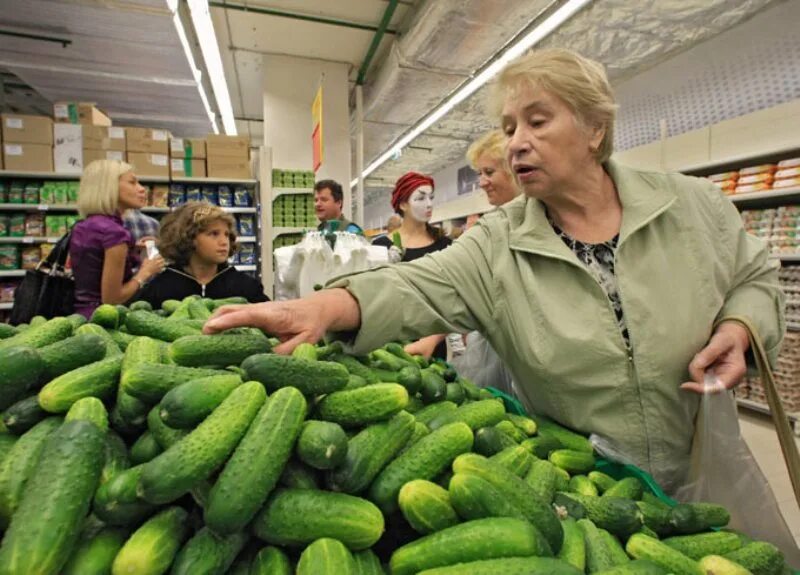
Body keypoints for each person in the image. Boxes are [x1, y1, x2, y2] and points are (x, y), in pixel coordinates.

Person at [203, 49, 783, 496]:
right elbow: (412, 286)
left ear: (594, 130)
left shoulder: (691, 206)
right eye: (509, 130)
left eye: (537, 122)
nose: (516, 145)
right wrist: (322, 307)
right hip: (586, 488)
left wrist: (738, 329)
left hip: (708, 468)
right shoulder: (498, 244)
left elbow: (754, 277)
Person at [451, 129, 522, 392]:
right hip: (495, 346)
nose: (481, 182)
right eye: (480, 174)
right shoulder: (493, 227)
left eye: (489, 172)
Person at [70, 159, 165, 318]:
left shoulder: (83, 225)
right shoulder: (115, 233)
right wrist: (145, 272)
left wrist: (130, 251)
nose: (142, 189)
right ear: (109, 187)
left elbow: (94, 267)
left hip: (80, 316)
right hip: (105, 321)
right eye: (132, 183)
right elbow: (112, 300)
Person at [372, 172, 452, 359]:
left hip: (433, 338)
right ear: (403, 204)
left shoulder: (444, 244)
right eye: (420, 198)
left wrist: (434, 339)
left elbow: (453, 298)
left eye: (431, 197)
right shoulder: (381, 246)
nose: (429, 204)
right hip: (393, 339)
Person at [135, 202, 268, 308]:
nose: (224, 242)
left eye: (227, 234)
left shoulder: (245, 286)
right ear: (189, 238)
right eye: (214, 234)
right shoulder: (161, 287)